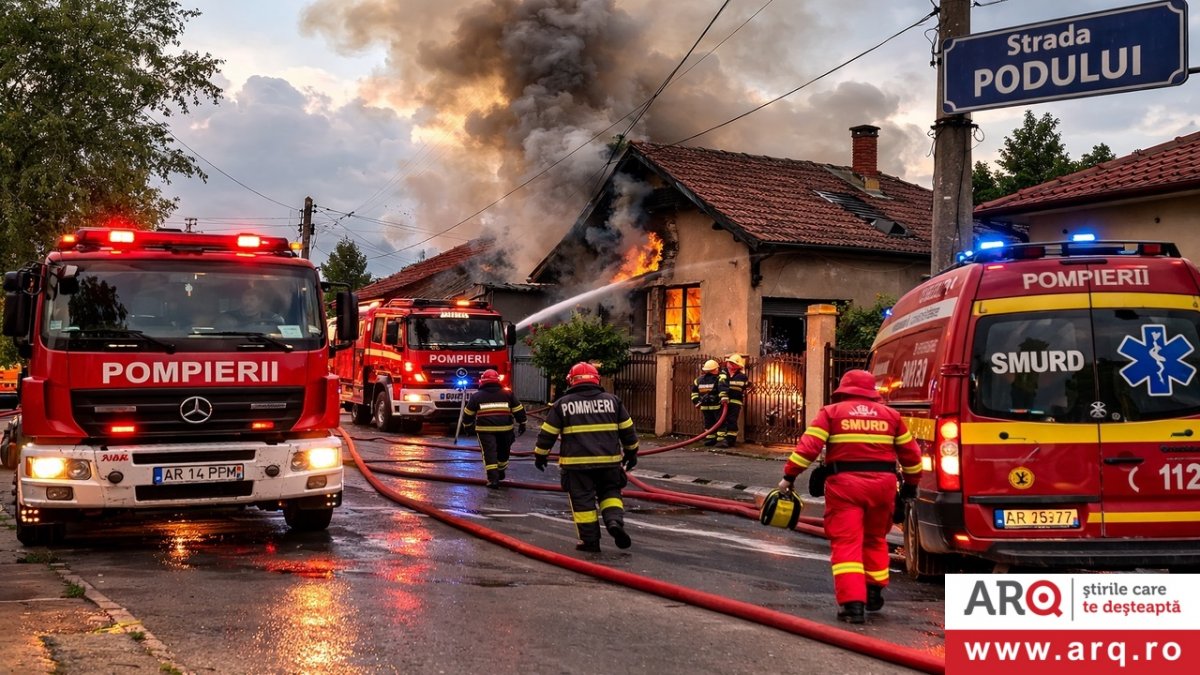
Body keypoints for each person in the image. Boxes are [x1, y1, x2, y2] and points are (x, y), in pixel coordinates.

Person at [776, 369, 922, 624]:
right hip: (883, 487)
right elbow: (912, 456)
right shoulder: (891, 416)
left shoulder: (832, 413)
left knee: (847, 543)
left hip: (845, 487)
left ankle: (853, 604)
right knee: (876, 537)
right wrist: (911, 486)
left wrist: (789, 476)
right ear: (872, 392)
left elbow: (808, 448)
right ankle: (874, 589)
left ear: (843, 390)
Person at [533, 362, 640, 553]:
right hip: (609, 463)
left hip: (577, 465)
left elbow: (547, 434)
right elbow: (628, 430)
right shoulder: (613, 401)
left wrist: (540, 456)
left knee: (583, 502)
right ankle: (614, 521)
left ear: (571, 381)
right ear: (596, 379)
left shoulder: (562, 404)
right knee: (611, 493)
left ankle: (590, 541)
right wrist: (631, 453)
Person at [461, 369, 527, 489]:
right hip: (505, 430)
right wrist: (522, 422)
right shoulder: (507, 394)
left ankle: (493, 479)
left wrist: (467, 427)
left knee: (489, 453)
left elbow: (467, 414)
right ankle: (500, 470)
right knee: (504, 451)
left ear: (482, 381)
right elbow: (518, 409)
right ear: (497, 381)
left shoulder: (476, 396)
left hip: (485, 431)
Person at [690, 359, 727, 446]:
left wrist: (696, 402)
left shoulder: (698, 380)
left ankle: (710, 439)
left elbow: (694, 393)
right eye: (717, 369)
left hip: (704, 406)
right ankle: (721, 440)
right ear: (714, 369)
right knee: (720, 422)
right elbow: (722, 389)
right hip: (717, 405)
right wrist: (724, 398)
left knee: (709, 422)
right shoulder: (719, 378)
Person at [717, 353, 748, 448]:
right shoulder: (722, 373)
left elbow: (743, 388)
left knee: (732, 420)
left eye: (733, 363)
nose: (730, 364)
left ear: (738, 366)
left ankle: (730, 440)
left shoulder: (742, 377)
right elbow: (720, 385)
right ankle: (721, 440)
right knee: (721, 420)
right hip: (723, 401)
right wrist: (723, 396)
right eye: (729, 362)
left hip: (735, 401)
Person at [216, 285, 283, 329]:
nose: (247, 303)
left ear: (260, 301)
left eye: (252, 300)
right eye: (245, 299)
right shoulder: (229, 316)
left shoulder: (271, 318)